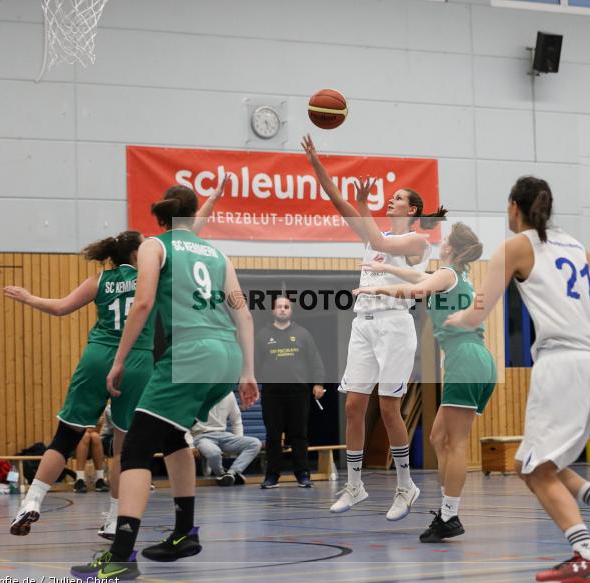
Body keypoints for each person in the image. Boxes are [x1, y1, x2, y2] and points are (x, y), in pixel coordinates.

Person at [446, 176, 590, 583]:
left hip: (563, 365)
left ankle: (587, 553)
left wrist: (456, 319)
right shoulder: (573, 244)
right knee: (531, 464)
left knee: (537, 470)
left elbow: (479, 311)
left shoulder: (516, 247)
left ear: (513, 207)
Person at [70, 184, 258, 581]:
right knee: (172, 437)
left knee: (136, 448)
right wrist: (248, 372)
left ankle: (121, 555)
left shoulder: (155, 246)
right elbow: (243, 313)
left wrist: (118, 360)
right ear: (192, 215)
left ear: (160, 218)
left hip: (189, 355)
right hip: (226, 356)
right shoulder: (218, 254)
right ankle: (183, 533)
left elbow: (142, 303)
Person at [303, 135, 445, 521]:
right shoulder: (370, 236)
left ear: (413, 208)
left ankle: (405, 485)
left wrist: (364, 204)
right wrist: (317, 163)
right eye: (391, 197)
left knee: (388, 408)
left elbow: (382, 237)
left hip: (394, 326)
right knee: (352, 406)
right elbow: (337, 201)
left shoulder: (417, 240)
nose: (391, 200)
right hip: (362, 325)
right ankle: (355, 485)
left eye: (398, 197)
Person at [354, 214, 495, 543]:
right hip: (474, 359)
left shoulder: (446, 274)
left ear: (449, 247)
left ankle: (450, 514)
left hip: (465, 358)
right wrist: (387, 269)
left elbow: (417, 288)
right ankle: (448, 511)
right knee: (437, 438)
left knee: (456, 443)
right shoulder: (455, 275)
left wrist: (378, 288)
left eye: (444, 238)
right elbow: (418, 275)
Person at [6, 231, 154, 536]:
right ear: (137, 255)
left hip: (97, 358)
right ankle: (115, 519)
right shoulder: (151, 279)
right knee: (124, 450)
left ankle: (32, 501)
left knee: (65, 435)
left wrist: (28, 297)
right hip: (136, 361)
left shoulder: (99, 280)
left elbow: (60, 308)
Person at [255, 296, 326, 489]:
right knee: (273, 435)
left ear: (291, 311)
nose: (283, 310)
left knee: (299, 434)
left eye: (286, 307)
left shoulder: (303, 334)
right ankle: (272, 476)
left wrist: (318, 383)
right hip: (272, 393)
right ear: (273, 311)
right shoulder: (262, 335)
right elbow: (254, 363)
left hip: (298, 392)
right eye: (279, 307)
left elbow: (315, 360)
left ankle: (302, 474)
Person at [190, 391, 262, 486]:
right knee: (213, 453)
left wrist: (238, 439)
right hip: (201, 436)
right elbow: (185, 424)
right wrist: (190, 445)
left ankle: (232, 473)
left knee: (255, 443)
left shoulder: (228, 393)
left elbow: (236, 420)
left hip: (223, 435)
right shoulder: (195, 392)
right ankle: (221, 474)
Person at [73, 419, 109, 493]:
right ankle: (79, 479)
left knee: (95, 436)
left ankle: (100, 479)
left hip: (95, 442)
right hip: (76, 442)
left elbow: (100, 427)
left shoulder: (100, 409)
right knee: (85, 436)